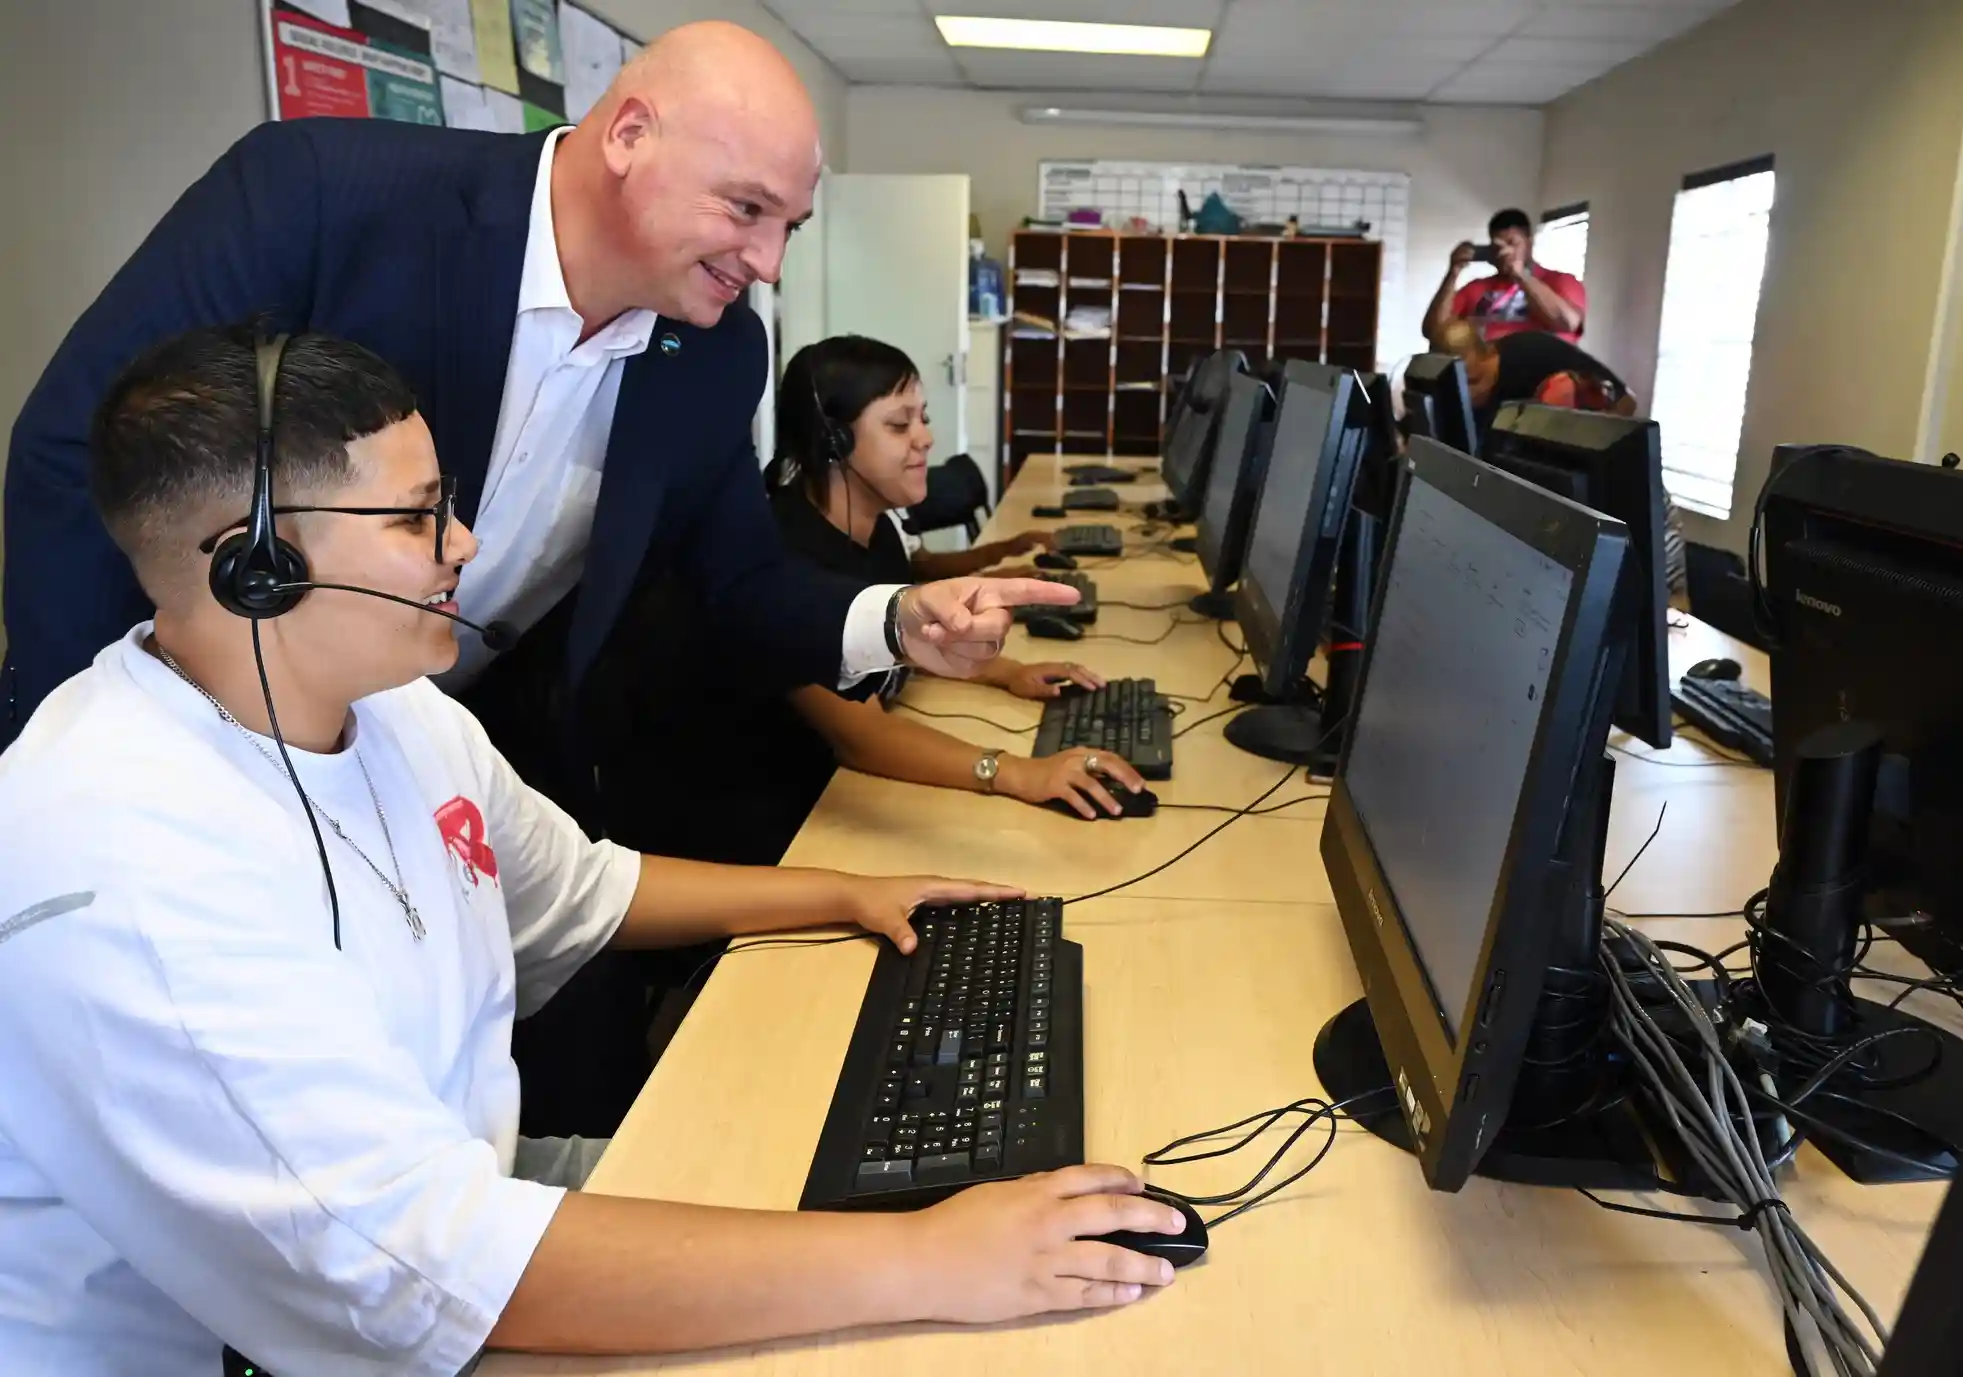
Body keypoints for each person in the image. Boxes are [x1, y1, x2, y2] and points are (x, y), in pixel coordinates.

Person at [0, 325, 1183, 1374]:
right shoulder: (126, 869)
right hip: (290, 1330)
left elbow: (584, 888)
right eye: (418, 517)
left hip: (452, 1212)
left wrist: (850, 891)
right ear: (254, 563)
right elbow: (410, 1267)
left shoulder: (399, 711)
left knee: (850, 1188)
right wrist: (932, 1262)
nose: (464, 541)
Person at [1, 20, 1070, 808]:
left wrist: (893, 620)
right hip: (183, 744)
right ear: (630, 137)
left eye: (789, 223)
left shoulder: (711, 348)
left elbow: (737, 580)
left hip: (463, 758)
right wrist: (111, 764)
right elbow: (73, 455)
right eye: (745, 210)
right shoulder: (321, 196)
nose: (768, 261)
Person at [604, 337, 1150, 870]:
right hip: (747, 836)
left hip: (820, 802)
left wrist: (1005, 673)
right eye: (898, 424)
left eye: (923, 417)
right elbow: (859, 736)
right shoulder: (782, 559)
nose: (926, 439)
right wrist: (1016, 774)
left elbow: (902, 644)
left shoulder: (877, 534)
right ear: (833, 441)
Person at [1426, 320, 1686, 597]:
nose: (1471, 394)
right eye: (1460, 386)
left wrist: (1595, 442)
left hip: (1632, 510)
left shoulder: (1535, 354)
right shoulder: (1460, 404)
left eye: (1475, 380)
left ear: (1490, 354)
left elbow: (1626, 401)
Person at [1424, 208, 1587, 345]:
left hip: (1541, 376)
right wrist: (1453, 272)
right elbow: (1433, 332)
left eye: (1513, 243)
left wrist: (1520, 275)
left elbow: (1567, 323)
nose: (1504, 252)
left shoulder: (1561, 281)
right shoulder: (1476, 288)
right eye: (1498, 246)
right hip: (1484, 375)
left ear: (1529, 243)